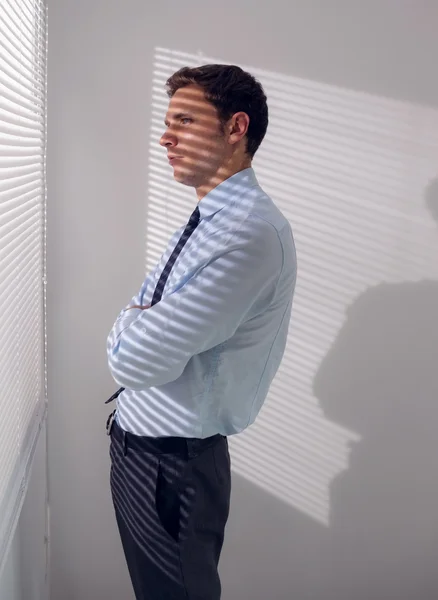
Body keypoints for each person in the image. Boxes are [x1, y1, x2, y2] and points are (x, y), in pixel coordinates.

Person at [105, 64, 297, 600]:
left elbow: (132, 359)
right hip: (141, 448)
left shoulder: (248, 235)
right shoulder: (210, 218)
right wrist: (137, 320)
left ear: (236, 128)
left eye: (185, 120)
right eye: (167, 121)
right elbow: (142, 326)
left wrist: (133, 322)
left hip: (173, 465)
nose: (165, 136)